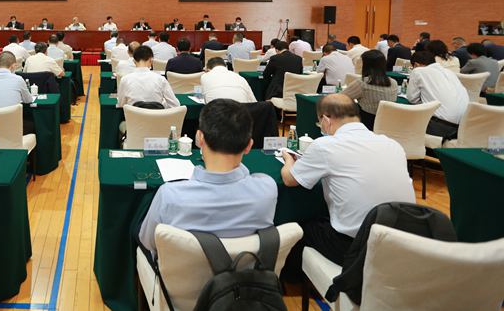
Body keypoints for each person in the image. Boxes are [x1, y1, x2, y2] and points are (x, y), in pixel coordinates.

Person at [280, 94, 414, 270]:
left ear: (326, 120)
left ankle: (295, 277)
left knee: (299, 226)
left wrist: (288, 159)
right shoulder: (392, 144)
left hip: (355, 247)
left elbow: (289, 179)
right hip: (403, 243)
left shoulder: (325, 145)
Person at [139, 99, 276, 257]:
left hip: (184, 272)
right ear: (249, 146)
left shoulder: (169, 195)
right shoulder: (268, 189)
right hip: (245, 269)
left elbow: (148, 241)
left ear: (199, 138)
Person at [407, 51, 469, 140]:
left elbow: (412, 99)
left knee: (401, 121)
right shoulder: (449, 72)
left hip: (440, 127)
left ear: (416, 64)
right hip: (462, 128)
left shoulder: (418, 70)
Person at [341, 50, 398, 130]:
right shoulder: (394, 82)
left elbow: (341, 97)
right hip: (388, 124)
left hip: (366, 125)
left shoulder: (363, 83)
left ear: (366, 65)